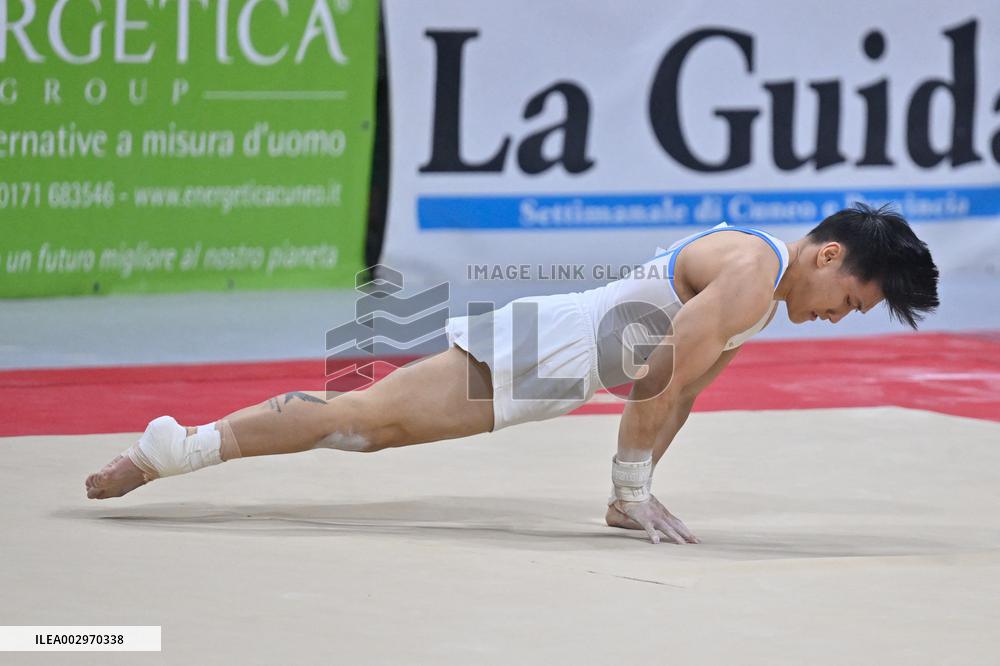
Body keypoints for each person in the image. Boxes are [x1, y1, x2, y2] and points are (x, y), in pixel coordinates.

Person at [85, 203, 939, 545]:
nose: (840, 315)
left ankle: (183, 447)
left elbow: (685, 393)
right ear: (830, 255)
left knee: (369, 431)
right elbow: (656, 382)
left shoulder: (762, 293)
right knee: (365, 423)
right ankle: (178, 448)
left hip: (560, 365)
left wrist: (633, 491)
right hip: (545, 349)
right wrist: (630, 489)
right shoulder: (754, 269)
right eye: (852, 298)